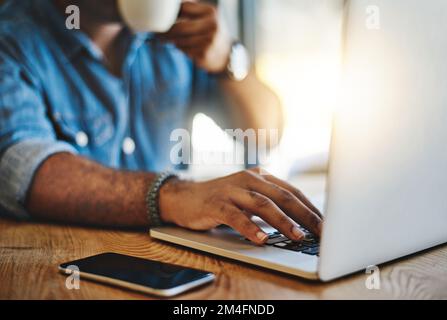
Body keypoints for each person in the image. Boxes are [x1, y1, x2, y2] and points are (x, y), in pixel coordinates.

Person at [0, 0, 323, 245]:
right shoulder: (12, 38)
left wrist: (228, 58)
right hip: (60, 261)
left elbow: (265, 133)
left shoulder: (175, 35)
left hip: (164, 258)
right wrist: (174, 196)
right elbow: (21, 169)